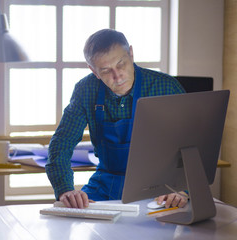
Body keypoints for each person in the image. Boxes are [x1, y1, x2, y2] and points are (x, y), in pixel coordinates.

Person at [45, 29, 188, 209]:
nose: (117, 75)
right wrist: (65, 190)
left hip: (159, 188)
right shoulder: (85, 90)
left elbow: (191, 145)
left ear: (131, 54)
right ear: (94, 71)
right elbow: (61, 143)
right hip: (105, 184)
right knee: (73, 215)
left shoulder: (166, 87)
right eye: (105, 70)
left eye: (121, 64)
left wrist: (182, 189)